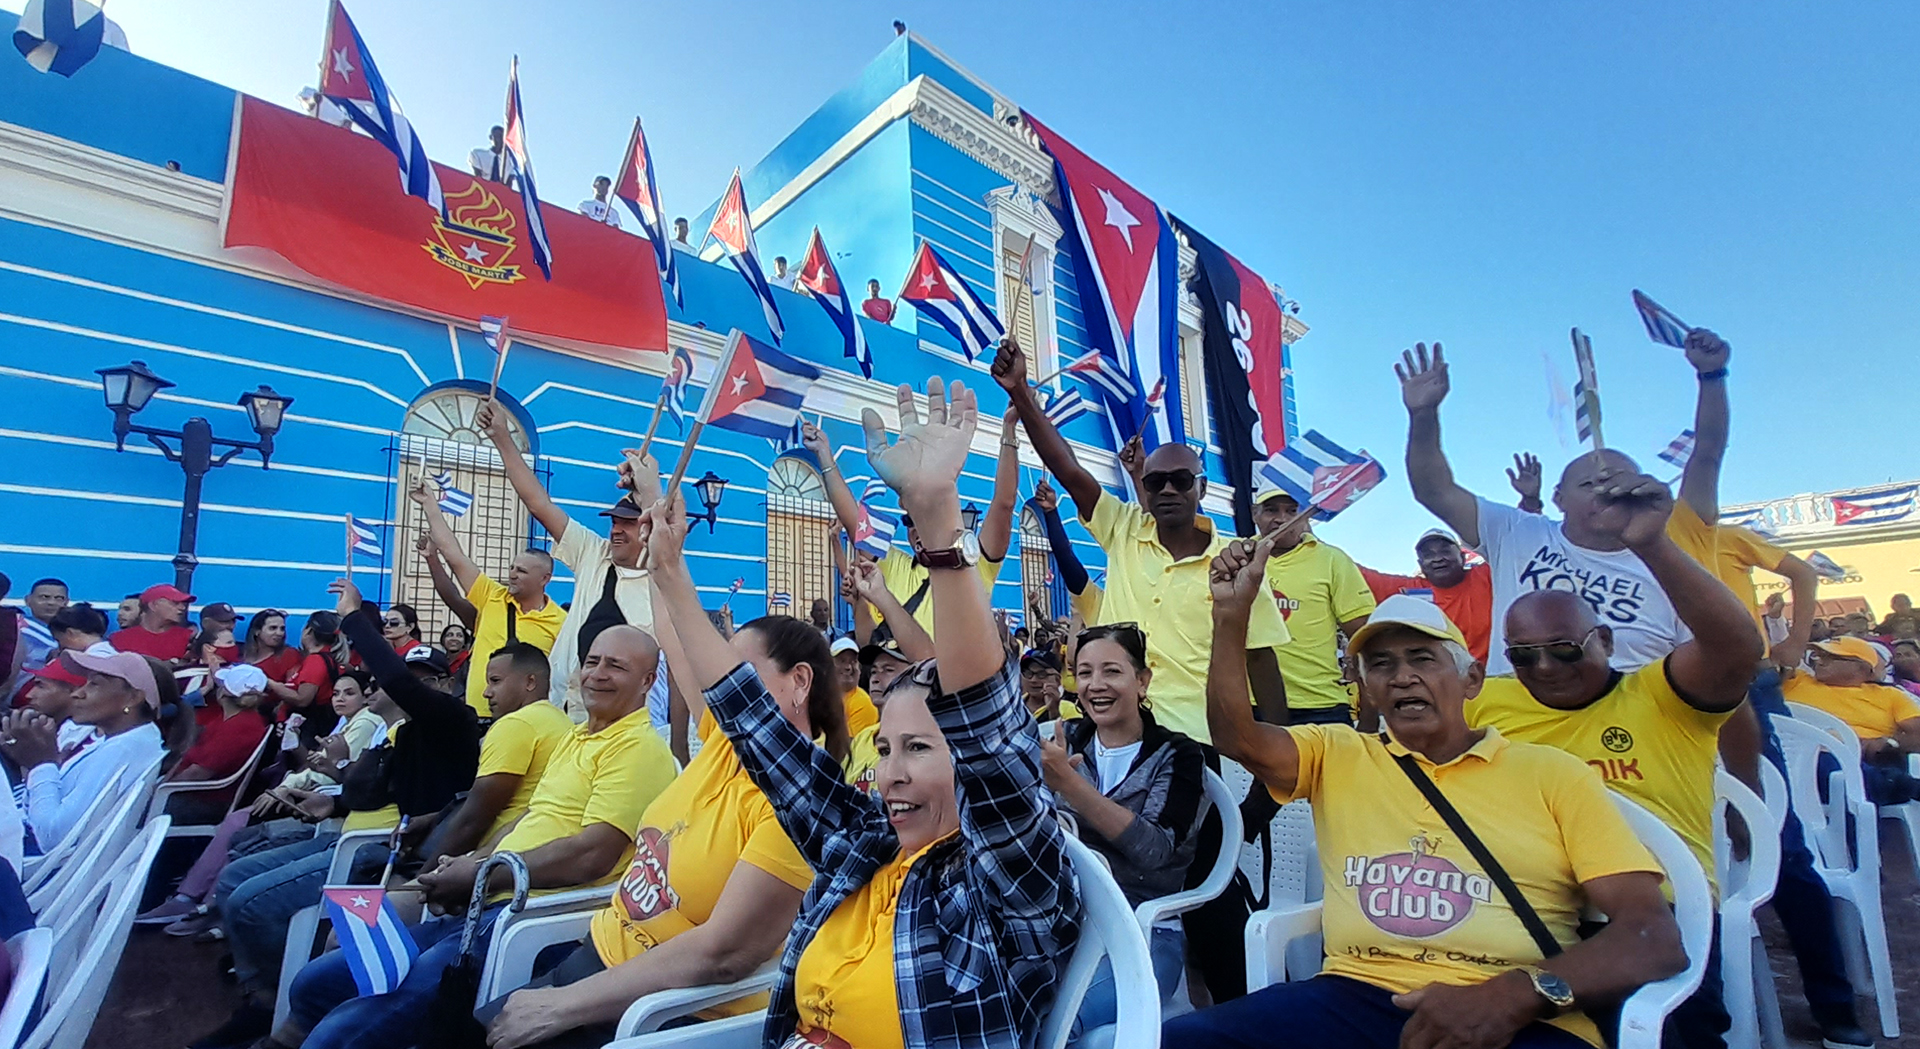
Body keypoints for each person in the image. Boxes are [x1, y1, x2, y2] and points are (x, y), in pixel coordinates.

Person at [642, 375, 1080, 1049]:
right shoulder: (866, 842)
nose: (890, 772)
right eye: (884, 748)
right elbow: (755, 726)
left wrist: (936, 515)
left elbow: (989, 736)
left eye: (920, 748)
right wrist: (670, 573)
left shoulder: (1008, 887)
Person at [1171, 542, 1687, 1049]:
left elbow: (1653, 937)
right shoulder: (1337, 753)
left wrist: (1515, 995)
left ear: (1472, 679)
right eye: (1380, 665)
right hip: (1352, 997)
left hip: (1519, 1013)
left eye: (1422, 658)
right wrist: (1231, 615)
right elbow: (1238, 738)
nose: (1402, 677)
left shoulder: (1554, 774)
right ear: (1366, 688)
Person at [270, 624, 677, 1049]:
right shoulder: (576, 736)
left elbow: (592, 855)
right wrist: (471, 863)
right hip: (485, 899)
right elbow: (529, 818)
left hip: (522, 916)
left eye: (616, 666)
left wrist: (481, 875)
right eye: (592, 661)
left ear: (647, 681)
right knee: (316, 982)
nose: (598, 674)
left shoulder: (639, 751)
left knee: (343, 1032)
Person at [1467, 467, 1763, 1049]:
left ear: (1604, 640)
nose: (1544, 667)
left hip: (1652, 921)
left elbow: (1737, 648)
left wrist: (1652, 545)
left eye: (1564, 649)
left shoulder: (1664, 696)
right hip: (1519, 909)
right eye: (1523, 656)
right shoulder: (1487, 702)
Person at [478, 617, 843, 1049]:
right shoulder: (725, 741)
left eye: (738, 672)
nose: (722, 684)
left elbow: (724, 953)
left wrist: (562, 1005)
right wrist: (660, 573)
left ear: (799, 681)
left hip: (660, 1013)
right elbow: (675, 629)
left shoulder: (804, 801)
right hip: (591, 963)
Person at [190, 581, 486, 1049]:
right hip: (351, 831)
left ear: (444, 685)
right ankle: (264, 991)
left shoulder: (454, 721)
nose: (414, 689)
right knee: (234, 875)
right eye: (411, 678)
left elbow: (399, 685)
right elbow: (373, 790)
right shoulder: (400, 734)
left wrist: (353, 618)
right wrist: (333, 799)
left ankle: (272, 1004)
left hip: (378, 851)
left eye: (426, 681)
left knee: (250, 903)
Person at [993, 336, 1290, 743]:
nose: (1167, 489)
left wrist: (1275, 759)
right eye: (1155, 482)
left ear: (1201, 489)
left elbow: (1261, 662)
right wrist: (1020, 392)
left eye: (1180, 480)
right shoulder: (1123, 528)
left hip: (1198, 741)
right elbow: (1068, 468)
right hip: (1113, 734)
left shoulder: (1236, 563)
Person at [1398, 344, 1690, 675]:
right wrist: (1423, 415)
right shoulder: (1516, 532)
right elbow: (1434, 491)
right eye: (1588, 484)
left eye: (1619, 482)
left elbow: (1717, 663)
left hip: (1627, 704)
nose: (1605, 491)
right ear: (1559, 498)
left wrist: (1653, 541)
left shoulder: (1670, 568)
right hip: (1515, 702)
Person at [1041, 621, 1205, 1036]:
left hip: (1143, 933)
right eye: (1084, 673)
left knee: (1054, 1023)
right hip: (1060, 924)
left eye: (1111, 671)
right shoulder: (1065, 740)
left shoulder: (1178, 755)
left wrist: (1069, 786)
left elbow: (1155, 850)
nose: (1096, 685)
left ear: (1142, 681)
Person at [476, 402, 672, 725]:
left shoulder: (663, 584)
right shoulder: (594, 553)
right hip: (562, 713)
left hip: (626, 726)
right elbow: (538, 503)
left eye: (628, 523)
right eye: (613, 521)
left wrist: (651, 490)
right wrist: (501, 438)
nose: (616, 530)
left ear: (647, 526)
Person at [806, 413, 1018, 642]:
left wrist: (1009, 430)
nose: (915, 530)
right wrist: (824, 456)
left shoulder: (976, 565)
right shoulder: (895, 566)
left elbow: (1004, 504)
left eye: (925, 519)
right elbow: (853, 521)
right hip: (904, 665)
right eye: (909, 522)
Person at [411, 478, 565, 715]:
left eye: (521, 571)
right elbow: (454, 555)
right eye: (512, 567)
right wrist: (429, 504)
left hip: (522, 722)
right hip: (477, 716)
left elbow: (563, 678)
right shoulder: (492, 595)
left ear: (545, 579)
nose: (512, 574)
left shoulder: (561, 622)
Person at [0, 649, 166, 852]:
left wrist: (41, 765)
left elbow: (52, 837)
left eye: (94, 684)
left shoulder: (124, 748)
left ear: (133, 698)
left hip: (33, 858)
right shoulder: (127, 740)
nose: (77, 693)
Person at [423, 640, 573, 862]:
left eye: (495, 681)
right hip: (535, 853)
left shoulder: (516, 724)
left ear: (530, 682)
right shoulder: (562, 721)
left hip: (497, 859)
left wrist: (424, 875)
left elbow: (474, 820)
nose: (486, 693)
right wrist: (432, 820)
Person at [1249, 477, 1377, 723]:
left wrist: (1369, 717)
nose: (1282, 519)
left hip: (1321, 706)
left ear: (1306, 516)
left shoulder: (1332, 560)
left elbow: (1365, 639)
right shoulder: (1237, 558)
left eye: (1292, 511)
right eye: (1271, 510)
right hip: (1251, 705)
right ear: (1255, 514)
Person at [1784, 636, 1920, 804]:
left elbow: (1917, 734)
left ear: (1861, 667)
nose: (1819, 661)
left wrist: (1890, 742)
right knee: (1826, 759)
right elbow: (1776, 657)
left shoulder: (1889, 695)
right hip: (1797, 757)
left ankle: (1889, 783)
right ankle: (1896, 784)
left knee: (1852, 767)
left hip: (1865, 759)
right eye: (1817, 655)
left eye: (1830, 657)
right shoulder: (1795, 681)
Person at [839, 564, 935, 794]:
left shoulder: (928, 738)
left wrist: (880, 595)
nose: (876, 677)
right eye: (874, 671)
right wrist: (859, 602)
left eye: (888, 669)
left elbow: (929, 663)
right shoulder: (863, 739)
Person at [1358, 529, 1495, 663]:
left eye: (1445, 551)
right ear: (1421, 564)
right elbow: (1357, 572)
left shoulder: (1488, 575)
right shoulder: (1409, 589)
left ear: (1463, 557)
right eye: (1428, 555)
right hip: (1443, 675)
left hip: (1495, 673)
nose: (1438, 559)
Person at [162, 663, 273, 823]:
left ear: (224, 693)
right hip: (191, 793)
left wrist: (159, 789)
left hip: (202, 800)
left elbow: (198, 773)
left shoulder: (237, 729)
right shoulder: (236, 721)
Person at [265, 612, 342, 745]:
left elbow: (302, 699)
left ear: (309, 630)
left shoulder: (316, 660)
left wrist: (269, 682)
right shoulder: (329, 656)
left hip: (310, 731)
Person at [108, 583, 195, 662]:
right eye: (175, 603)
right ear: (153, 605)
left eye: (183, 604)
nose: (182, 608)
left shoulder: (190, 638)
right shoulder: (118, 639)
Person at [830, 637, 879, 735]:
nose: (848, 667)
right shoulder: (818, 695)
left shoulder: (862, 703)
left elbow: (849, 743)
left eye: (853, 662)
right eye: (841, 661)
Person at [16, 577, 66, 673]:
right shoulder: (15, 627)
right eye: (44, 597)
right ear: (28, 600)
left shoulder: (74, 631)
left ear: (66, 602)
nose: (51, 603)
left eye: (59, 598)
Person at [238, 608, 300, 682]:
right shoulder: (240, 655)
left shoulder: (289, 655)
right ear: (257, 631)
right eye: (273, 628)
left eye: (282, 629)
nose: (279, 633)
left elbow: (292, 687)